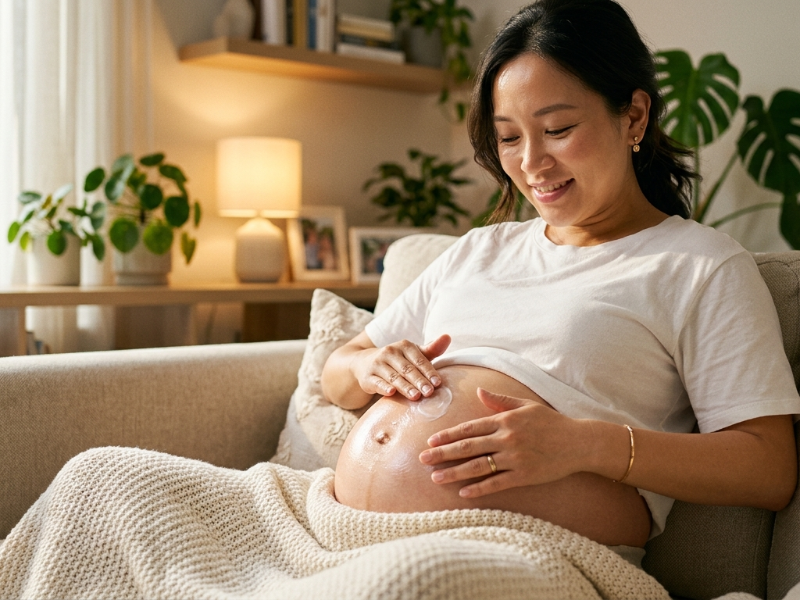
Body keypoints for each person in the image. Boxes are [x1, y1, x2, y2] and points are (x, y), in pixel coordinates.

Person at [323, 0, 800, 554]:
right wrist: (368, 363)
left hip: (520, 555)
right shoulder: (481, 248)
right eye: (508, 137)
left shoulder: (698, 266)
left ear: (635, 117)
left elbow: (768, 467)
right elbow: (337, 374)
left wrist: (586, 446)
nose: (531, 163)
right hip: (343, 526)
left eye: (557, 128)